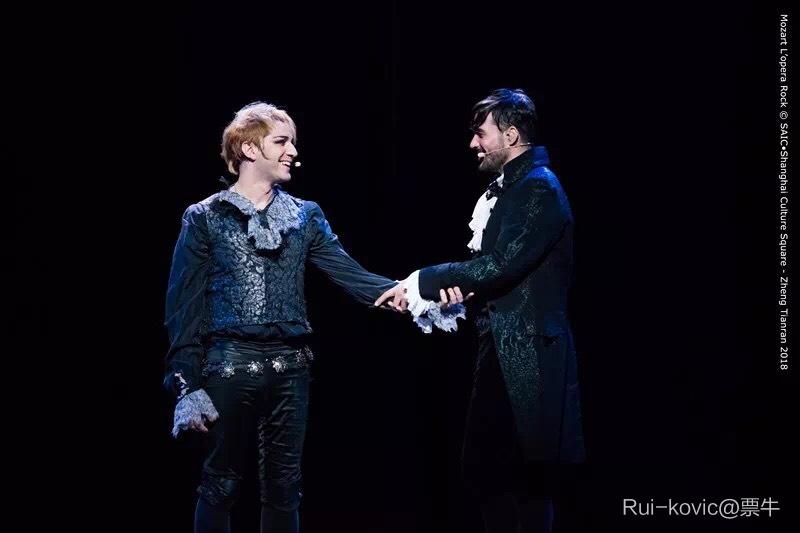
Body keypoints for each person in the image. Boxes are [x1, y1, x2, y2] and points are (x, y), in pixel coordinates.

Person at [163, 102, 452, 533]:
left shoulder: (304, 214)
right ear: (248, 148)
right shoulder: (205, 217)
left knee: (285, 488)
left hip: (291, 371)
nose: (293, 151)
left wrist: (417, 293)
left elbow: (350, 274)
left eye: (293, 142)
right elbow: (183, 308)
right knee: (219, 485)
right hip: (229, 368)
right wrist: (186, 384)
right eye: (282, 141)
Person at [377, 89, 586, 533]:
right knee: (489, 470)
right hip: (503, 347)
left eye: (481, 133)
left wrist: (421, 280)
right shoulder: (514, 188)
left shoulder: (538, 187)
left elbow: (501, 264)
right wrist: (462, 294)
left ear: (510, 135)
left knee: (522, 478)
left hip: (528, 351)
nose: (473, 143)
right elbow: (497, 272)